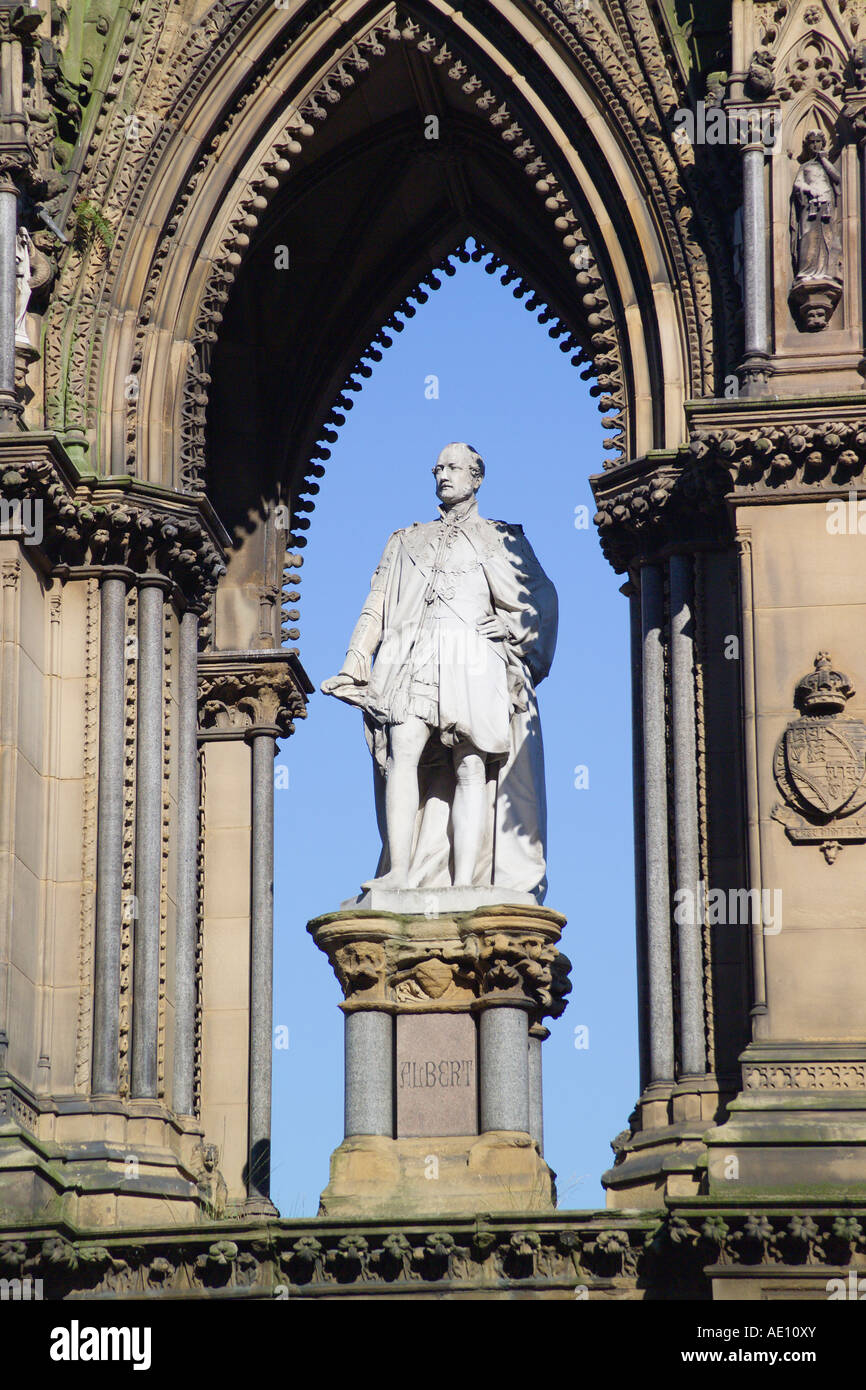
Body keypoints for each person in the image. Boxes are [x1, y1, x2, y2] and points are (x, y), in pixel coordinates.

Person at [322, 442, 558, 900]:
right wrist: (355, 659)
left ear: (477, 477)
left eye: (454, 467)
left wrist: (510, 627)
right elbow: (377, 605)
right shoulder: (406, 539)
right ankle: (401, 871)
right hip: (412, 653)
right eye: (438, 467)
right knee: (403, 751)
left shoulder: (501, 537)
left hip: (472, 656)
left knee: (471, 763)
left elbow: (540, 598)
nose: (444, 475)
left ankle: (468, 881)